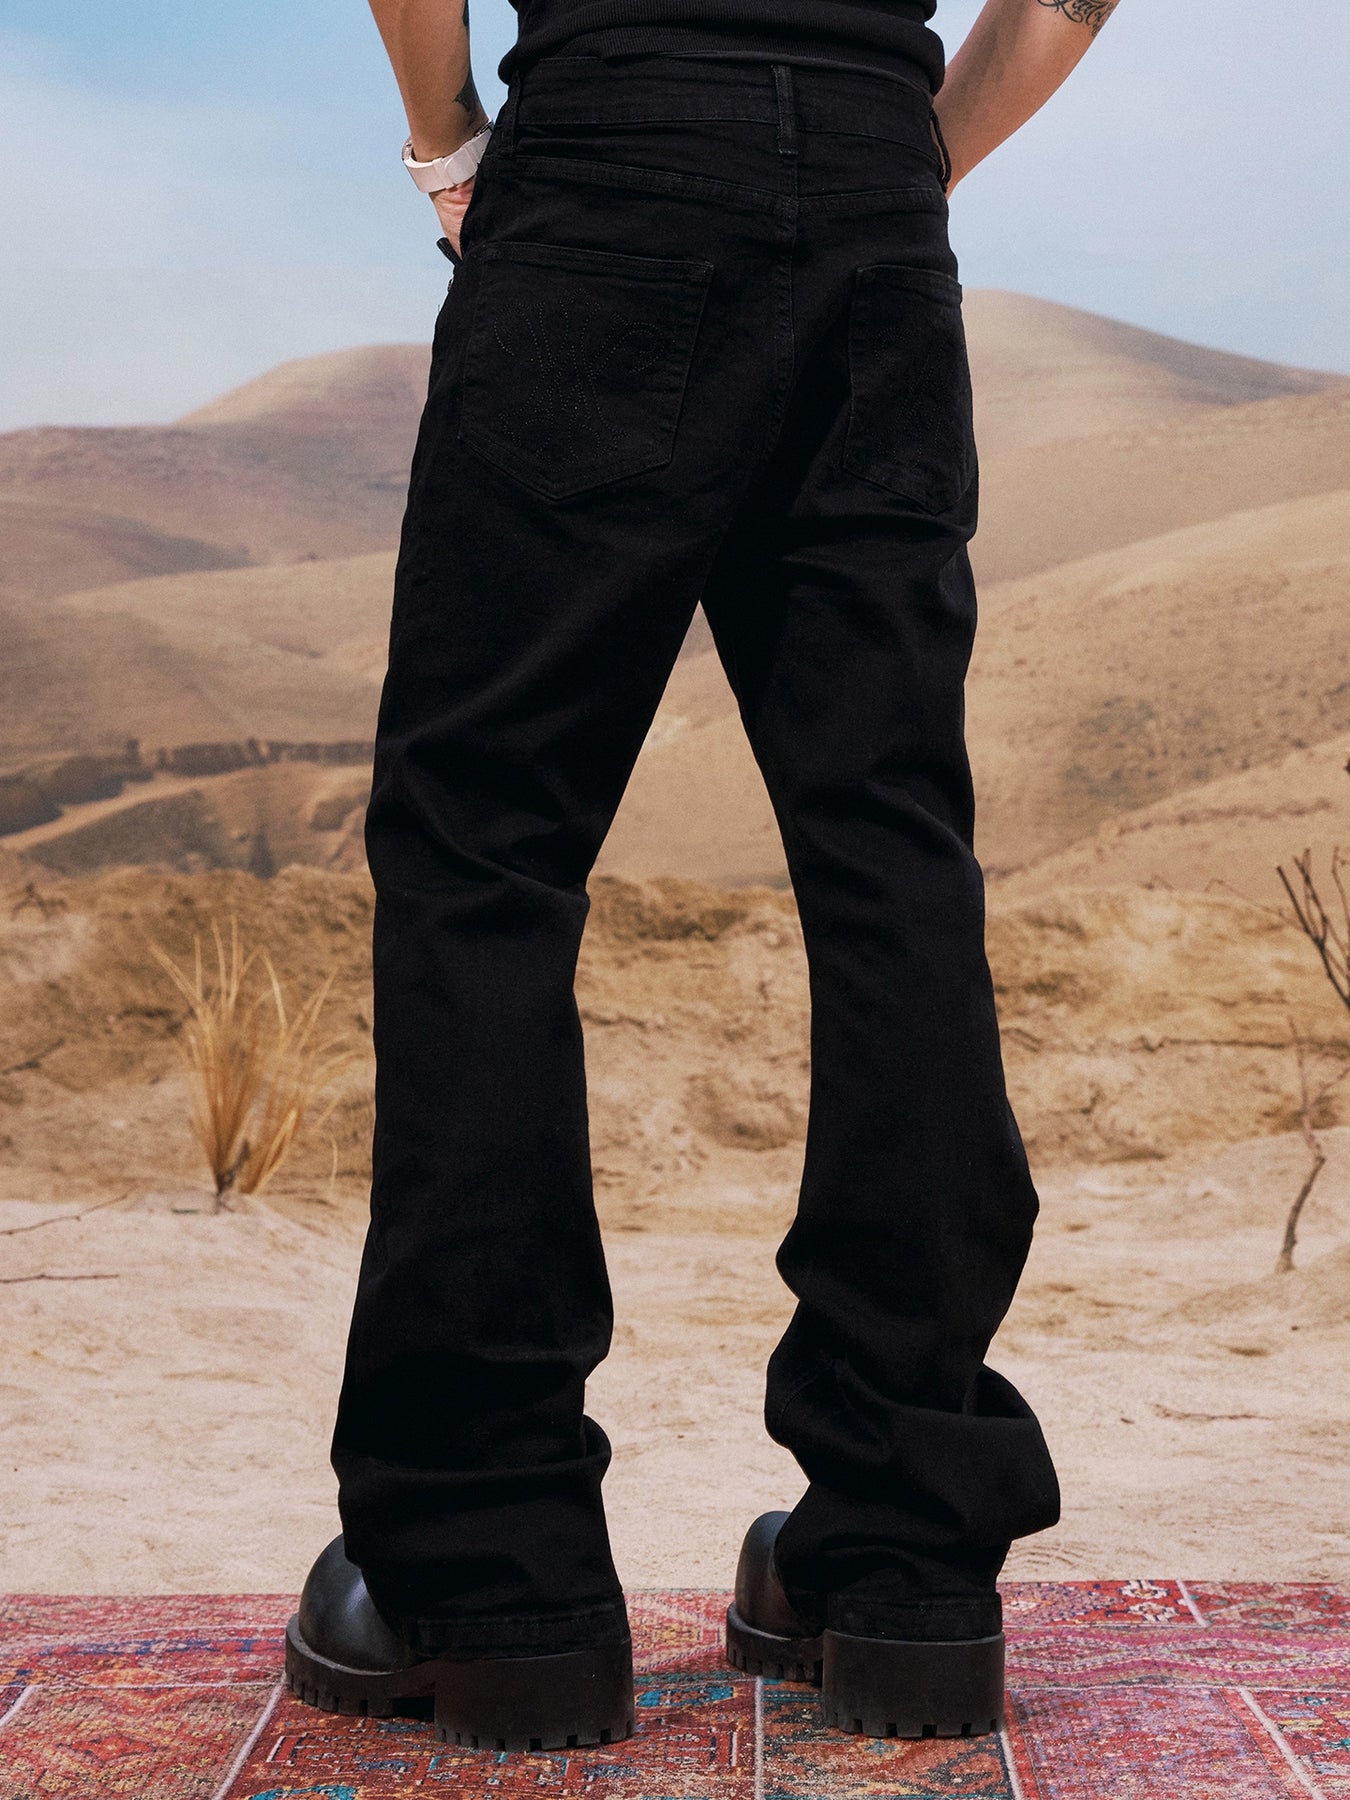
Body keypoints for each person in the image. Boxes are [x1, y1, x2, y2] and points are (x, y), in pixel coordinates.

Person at [285, 0, 1120, 1755]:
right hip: (876, 193)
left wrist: (448, 147)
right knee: (890, 859)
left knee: (485, 849)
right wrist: (900, 158)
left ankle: (489, 1567)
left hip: (608, 163)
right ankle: (902, 1561)